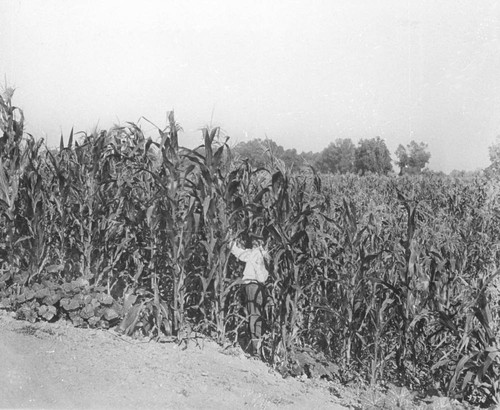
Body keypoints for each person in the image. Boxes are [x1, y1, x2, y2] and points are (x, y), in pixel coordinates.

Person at [229, 232, 270, 356]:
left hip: (254, 285)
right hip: (253, 286)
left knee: (254, 315)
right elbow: (238, 252)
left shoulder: (257, 254)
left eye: (256, 240)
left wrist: (229, 241)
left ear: (260, 242)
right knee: (255, 315)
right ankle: (255, 348)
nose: (253, 242)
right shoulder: (255, 253)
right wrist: (229, 240)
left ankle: (256, 348)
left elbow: (262, 277)